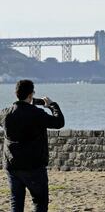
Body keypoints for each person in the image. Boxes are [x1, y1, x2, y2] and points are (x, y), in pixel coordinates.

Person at [0, 79, 65, 212]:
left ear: (16, 94)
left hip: (12, 165)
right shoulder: (36, 113)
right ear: (30, 95)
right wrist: (52, 105)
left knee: (16, 203)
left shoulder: (5, 113)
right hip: (34, 166)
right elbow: (59, 122)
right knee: (39, 202)